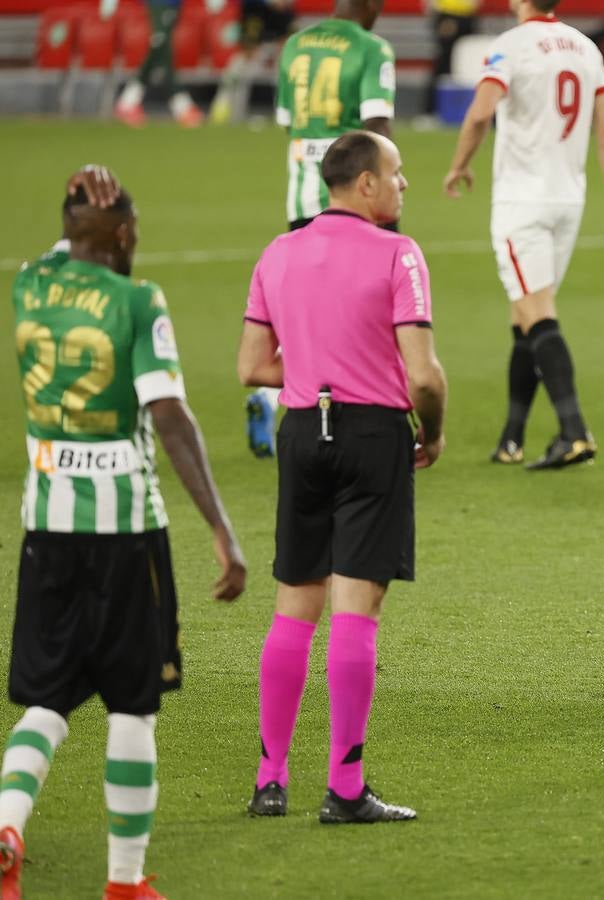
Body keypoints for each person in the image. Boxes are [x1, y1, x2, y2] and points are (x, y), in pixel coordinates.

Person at [0, 167, 246, 900]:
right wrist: (222, 529)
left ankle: (7, 827)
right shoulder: (137, 302)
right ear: (125, 232)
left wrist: (79, 210)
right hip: (125, 533)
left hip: (46, 526)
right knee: (132, 705)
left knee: (46, 698)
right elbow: (169, 416)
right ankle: (125, 881)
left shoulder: (28, 288)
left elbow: (59, 249)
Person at [237, 131, 447, 823]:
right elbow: (423, 374)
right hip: (371, 436)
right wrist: (433, 429)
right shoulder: (398, 253)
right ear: (364, 184)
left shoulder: (277, 250)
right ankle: (345, 790)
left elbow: (251, 367)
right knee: (357, 610)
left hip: (301, 433)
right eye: (395, 173)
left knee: (294, 607)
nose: (402, 184)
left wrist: (313, 372)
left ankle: (270, 781)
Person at [443, 0, 604, 470]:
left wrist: (459, 165)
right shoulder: (585, 47)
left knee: (537, 313)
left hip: (522, 203)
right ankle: (511, 439)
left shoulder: (510, 46)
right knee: (525, 314)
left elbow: (478, 114)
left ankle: (575, 432)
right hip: (568, 201)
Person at [245, 0, 399, 459]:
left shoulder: (296, 45)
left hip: (302, 199)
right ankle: (357, 408)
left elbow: (287, 122)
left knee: (306, 312)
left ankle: (277, 396)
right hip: (354, 199)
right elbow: (378, 127)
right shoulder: (372, 48)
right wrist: (387, 198)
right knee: (362, 314)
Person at [111, 0, 210, 128]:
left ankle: (128, 101)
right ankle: (181, 104)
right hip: (159, 3)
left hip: (172, 4)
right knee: (161, 48)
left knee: (160, 48)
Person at [210, 0, 297, 125]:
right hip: (256, 53)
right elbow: (248, 44)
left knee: (287, 75)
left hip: (276, 56)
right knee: (235, 69)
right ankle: (228, 113)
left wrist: (277, 56)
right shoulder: (254, 8)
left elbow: (288, 42)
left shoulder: (287, 14)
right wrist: (253, 53)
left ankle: (286, 117)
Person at [425, 0, 481, 116]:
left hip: (468, 16)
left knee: (466, 64)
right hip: (448, 15)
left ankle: (466, 110)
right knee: (444, 64)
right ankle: (431, 111)